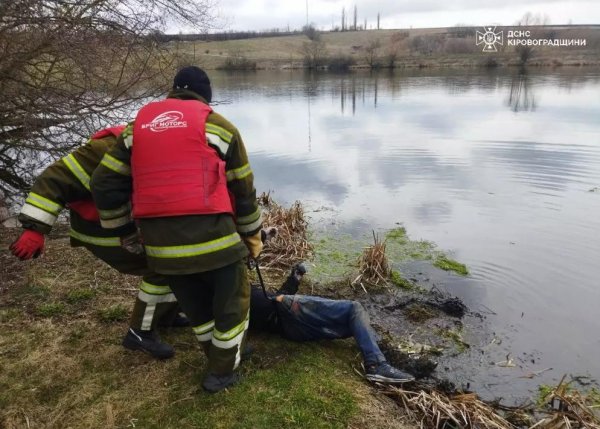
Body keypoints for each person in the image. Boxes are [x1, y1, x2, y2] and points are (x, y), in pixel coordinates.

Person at [91, 66, 262, 393]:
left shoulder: (135, 130)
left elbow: (103, 182)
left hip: (162, 249)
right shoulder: (221, 127)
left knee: (197, 307)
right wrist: (252, 238)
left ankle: (220, 356)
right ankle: (222, 372)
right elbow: (243, 191)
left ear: (173, 92)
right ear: (206, 96)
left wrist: (125, 231)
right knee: (232, 306)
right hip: (216, 242)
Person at [9, 126, 186, 359]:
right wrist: (35, 229)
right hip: (100, 228)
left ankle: (164, 316)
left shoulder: (173, 146)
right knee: (164, 266)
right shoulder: (107, 148)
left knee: (182, 260)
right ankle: (140, 333)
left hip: (129, 224)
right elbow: (55, 178)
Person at [250, 264, 415, 384]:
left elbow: (265, 303)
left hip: (289, 326)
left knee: (353, 323)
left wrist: (293, 280)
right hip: (286, 311)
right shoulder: (229, 296)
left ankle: (383, 354)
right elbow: (265, 303)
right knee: (354, 309)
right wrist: (281, 299)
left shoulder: (233, 290)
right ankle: (376, 365)